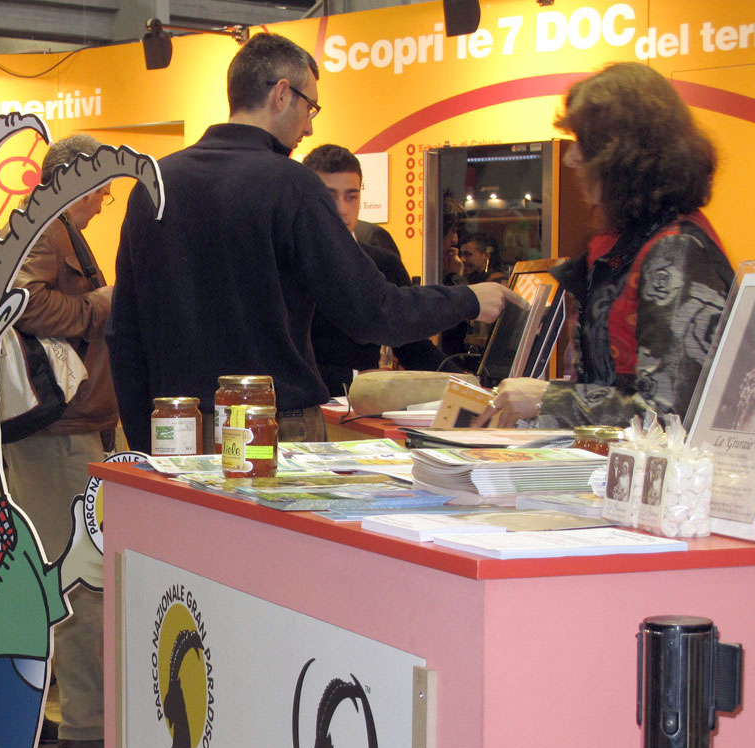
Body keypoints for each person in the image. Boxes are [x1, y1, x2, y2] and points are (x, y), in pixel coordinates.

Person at [107, 32, 509, 450]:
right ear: (282, 94)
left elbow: (124, 332)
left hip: (174, 430)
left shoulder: (155, 184)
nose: (310, 125)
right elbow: (371, 310)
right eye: (310, 106)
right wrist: (468, 299)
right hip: (271, 429)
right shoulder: (290, 184)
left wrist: (143, 442)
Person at [483, 63, 734, 429]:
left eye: (583, 143)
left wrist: (549, 398)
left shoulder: (676, 251)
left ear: (622, 155)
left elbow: (670, 413)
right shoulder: (626, 243)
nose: (571, 158)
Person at [3, 133, 115, 748]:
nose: (102, 201)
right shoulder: (46, 229)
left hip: (62, 427)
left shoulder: (51, 228)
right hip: (57, 430)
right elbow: (25, 303)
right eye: (100, 189)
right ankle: (86, 723)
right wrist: (97, 307)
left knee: (60, 575)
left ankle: (49, 709)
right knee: (79, 581)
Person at [301, 143, 442, 384]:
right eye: (329, 196)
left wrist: (466, 385)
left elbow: (413, 345)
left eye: (351, 197)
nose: (342, 209)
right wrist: (354, 377)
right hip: (303, 401)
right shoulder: (286, 264)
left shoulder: (384, 263)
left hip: (360, 403)